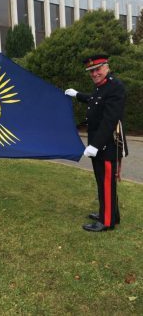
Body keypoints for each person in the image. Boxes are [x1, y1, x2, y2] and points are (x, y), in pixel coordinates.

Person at [65, 55, 128, 232]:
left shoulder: (115, 87)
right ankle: (110, 214)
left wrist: (95, 145)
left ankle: (106, 221)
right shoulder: (102, 87)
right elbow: (94, 100)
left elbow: (110, 119)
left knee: (106, 182)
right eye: (91, 71)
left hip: (107, 145)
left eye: (98, 69)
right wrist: (77, 95)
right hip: (98, 144)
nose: (95, 73)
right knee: (102, 181)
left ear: (107, 67)